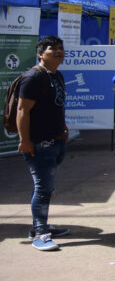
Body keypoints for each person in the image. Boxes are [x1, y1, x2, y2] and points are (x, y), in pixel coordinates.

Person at [17, 36, 70, 251]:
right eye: (52, 49)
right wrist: (25, 140)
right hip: (39, 143)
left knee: (44, 186)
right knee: (43, 188)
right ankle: (40, 233)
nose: (58, 52)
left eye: (60, 48)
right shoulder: (33, 77)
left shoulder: (57, 75)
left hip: (56, 140)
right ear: (40, 54)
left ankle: (39, 225)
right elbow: (23, 110)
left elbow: (57, 105)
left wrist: (63, 127)